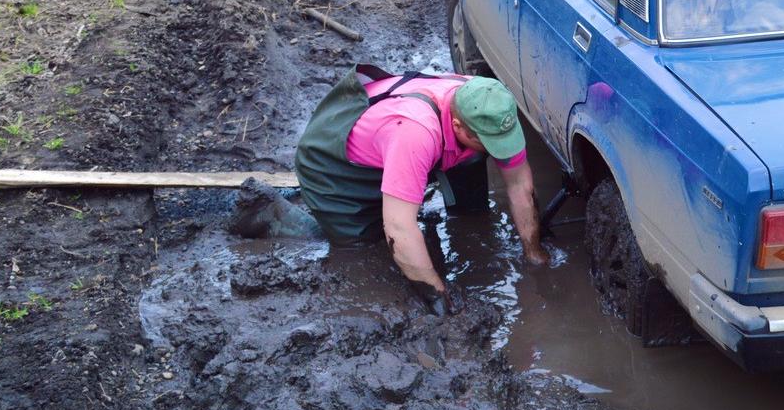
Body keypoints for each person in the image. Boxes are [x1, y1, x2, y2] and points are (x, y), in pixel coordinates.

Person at [232, 64, 548, 313]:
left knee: (471, 164)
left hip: (392, 142)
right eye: (488, 141)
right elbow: (398, 227)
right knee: (363, 247)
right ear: (457, 126)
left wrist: (534, 256)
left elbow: (519, 183)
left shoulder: (490, 104)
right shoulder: (416, 134)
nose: (500, 148)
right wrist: (439, 296)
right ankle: (269, 213)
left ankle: (463, 207)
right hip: (332, 163)